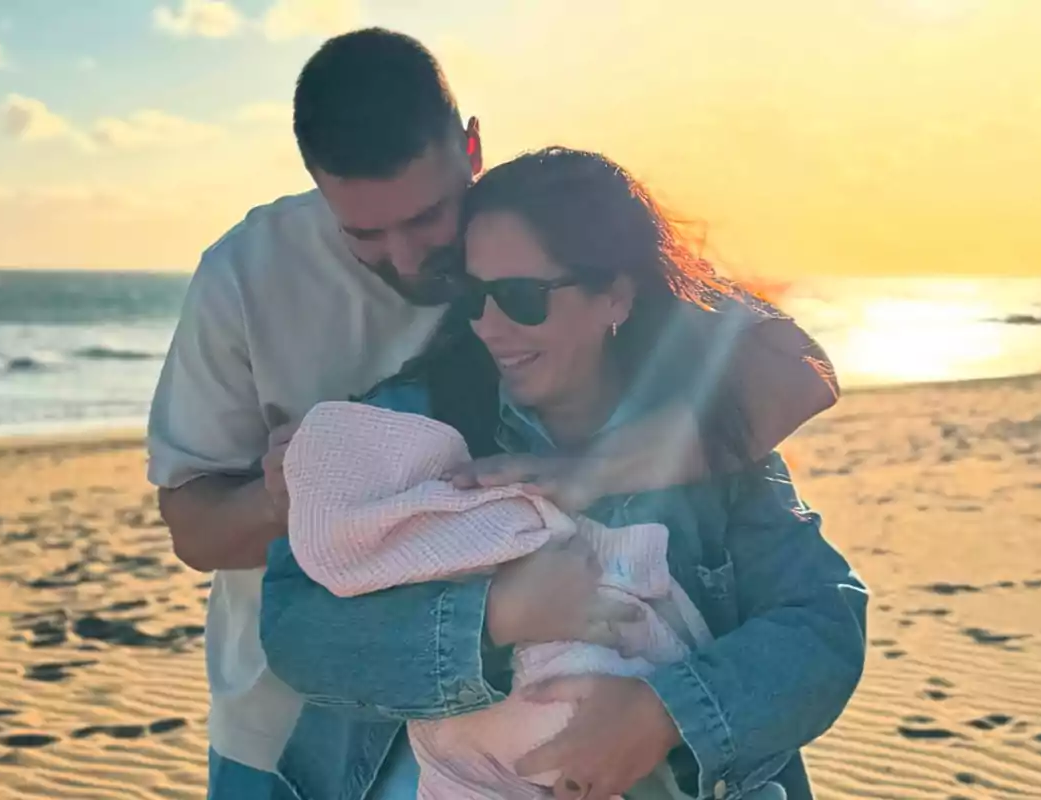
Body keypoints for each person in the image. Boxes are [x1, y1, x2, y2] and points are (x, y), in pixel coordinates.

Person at [147, 29, 841, 798]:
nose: (410, 260)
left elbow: (801, 371)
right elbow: (204, 537)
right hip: (305, 729)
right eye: (365, 234)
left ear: (470, 152)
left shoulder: (558, 243)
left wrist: (606, 474)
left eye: (429, 219)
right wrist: (306, 492)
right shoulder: (249, 276)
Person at [261, 147, 867, 800]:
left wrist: (666, 714)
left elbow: (823, 622)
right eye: (473, 296)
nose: (490, 326)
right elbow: (296, 628)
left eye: (523, 298)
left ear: (616, 294)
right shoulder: (413, 425)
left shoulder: (705, 440)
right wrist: (495, 616)